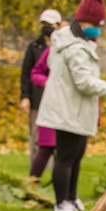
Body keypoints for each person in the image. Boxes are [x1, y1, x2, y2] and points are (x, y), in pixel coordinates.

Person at [36, 0, 106, 211]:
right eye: (95, 26)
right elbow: (84, 82)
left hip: (77, 108)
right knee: (66, 157)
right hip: (68, 109)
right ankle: (61, 202)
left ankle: (72, 196)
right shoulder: (74, 48)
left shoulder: (77, 44)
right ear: (83, 23)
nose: (97, 31)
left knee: (76, 156)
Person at [28, 18, 70, 184]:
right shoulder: (51, 52)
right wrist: (46, 82)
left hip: (70, 108)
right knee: (45, 147)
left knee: (67, 152)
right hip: (51, 105)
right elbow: (35, 73)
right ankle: (31, 184)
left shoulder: (80, 53)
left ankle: (63, 192)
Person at [21, 8, 62, 164]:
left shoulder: (62, 46)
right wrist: (25, 96)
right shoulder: (34, 47)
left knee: (56, 138)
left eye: (50, 24)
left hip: (58, 100)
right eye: (44, 24)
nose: (47, 27)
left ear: (58, 25)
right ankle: (35, 170)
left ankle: (54, 168)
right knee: (36, 136)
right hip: (38, 97)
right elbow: (27, 73)